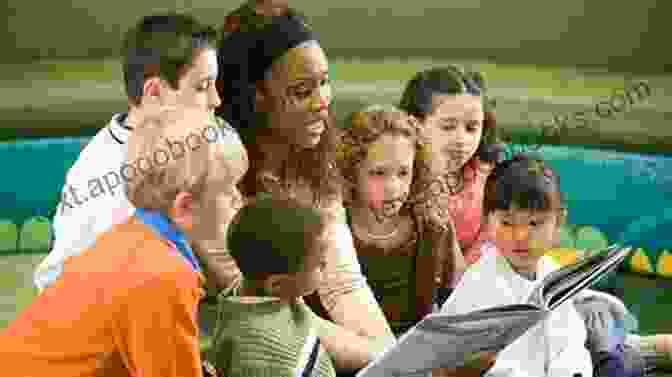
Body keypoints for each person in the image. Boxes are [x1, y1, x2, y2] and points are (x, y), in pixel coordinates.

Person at [212, 1, 395, 369]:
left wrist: (398, 359)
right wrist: (385, 361)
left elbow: (343, 282)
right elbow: (264, 307)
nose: (322, 102)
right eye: (301, 91)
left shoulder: (319, 153)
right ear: (255, 97)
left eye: (324, 82)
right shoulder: (216, 168)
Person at [0, 107, 245, 377]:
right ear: (185, 207)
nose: (238, 198)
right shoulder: (165, 277)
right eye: (228, 188)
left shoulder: (131, 235)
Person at [33, 12, 228, 292]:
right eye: (202, 86)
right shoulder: (119, 176)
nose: (216, 100)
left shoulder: (170, 143)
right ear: (154, 93)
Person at [436, 154, 593, 377]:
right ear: (487, 221)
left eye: (534, 223)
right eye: (507, 223)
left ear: (558, 221)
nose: (520, 236)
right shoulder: (481, 283)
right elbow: (488, 364)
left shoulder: (553, 276)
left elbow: (569, 343)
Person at [210, 194, 373, 376]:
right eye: (319, 264)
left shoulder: (248, 291)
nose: (326, 266)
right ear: (278, 284)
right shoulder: (273, 359)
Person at [335, 105, 462, 336]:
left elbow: (457, 291)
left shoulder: (432, 222)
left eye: (403, 173)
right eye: (378, 173)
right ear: (352, 172)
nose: (393, 188)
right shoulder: (335, 226)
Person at [398, 65, 503, 296]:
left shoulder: (485, 175)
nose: (461, 140)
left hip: (477, 286)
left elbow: (493, 242)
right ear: (415, 123)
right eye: (448, 126)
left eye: (471, 128)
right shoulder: (398, 179)